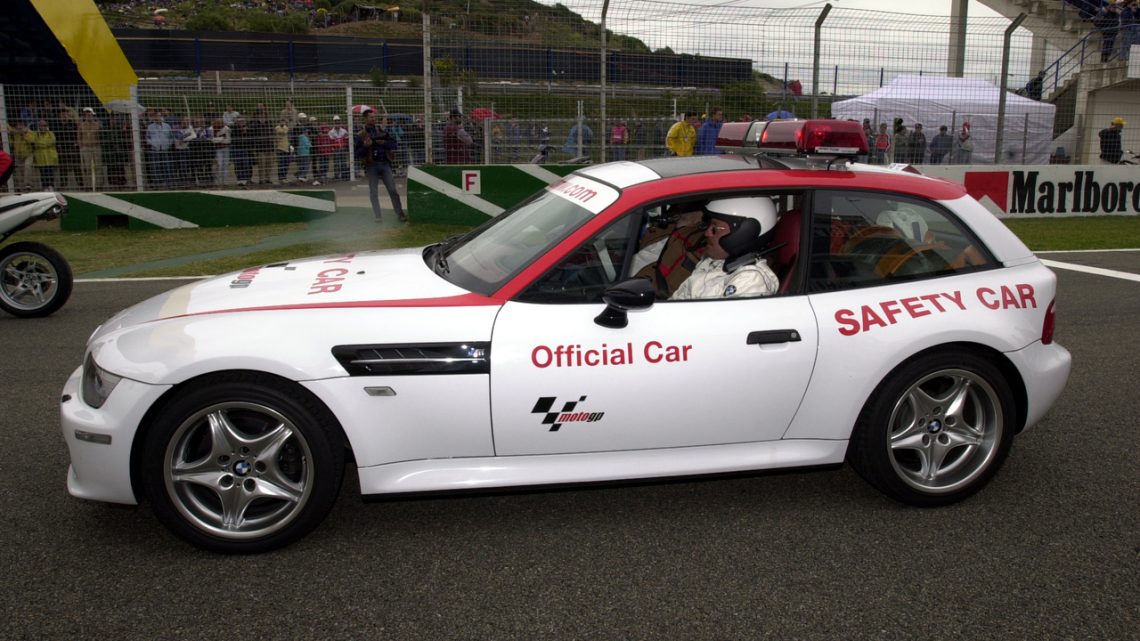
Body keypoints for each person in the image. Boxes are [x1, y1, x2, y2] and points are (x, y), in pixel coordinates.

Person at [671, 197, 780, 300]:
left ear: (745, 233)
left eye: (715, 228)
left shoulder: (750, 280)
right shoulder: (713, 262)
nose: (707, 233)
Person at [631, 202, 707, 298]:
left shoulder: (694, 242)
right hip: (631, 276)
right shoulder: (666, 227)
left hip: (642, 288)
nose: (681, 212)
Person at [355, 108, 407, 223]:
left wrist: (384, 143)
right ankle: (378, 216)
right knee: (373, 192)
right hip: (371, 165)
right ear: (365, 119)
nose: (373, 119)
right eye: (371, 117)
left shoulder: (381, 131)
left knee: (392, 190)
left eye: (374, 117)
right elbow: (357, 153)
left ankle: (400, 213)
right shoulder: (361, 135)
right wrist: (365, 146)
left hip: (385, 163)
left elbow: (394, 145)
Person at [28, 119, 59, 191]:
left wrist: (40, 143)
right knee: (42, 173)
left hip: (50, 156)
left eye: (44, 126)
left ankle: (51, 186)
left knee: (50, 172)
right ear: (39, 127)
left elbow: (52, 141)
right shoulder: (36, 134)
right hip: (41, 157)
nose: (43, 127)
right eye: (41, 126)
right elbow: (33, 141)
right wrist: (44, 143)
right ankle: (45, 187)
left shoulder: (50, 133)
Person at [77, 107, 102, 190]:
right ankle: (88, 185)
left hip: (96, 147)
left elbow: (101, 135)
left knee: (98, 166)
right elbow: (79, 136)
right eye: (86, 114)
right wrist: (81, 146)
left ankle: (98, 185)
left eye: (90, 114)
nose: (88, 115)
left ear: (92, 114)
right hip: (86, 147)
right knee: (87, 167)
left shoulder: (97, 124)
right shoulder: (81, 124)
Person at [211, 118, 231, 186]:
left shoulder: (226, 128)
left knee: (226, 165)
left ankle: (225, 181)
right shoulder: (212, 129)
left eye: (220, 122)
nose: (219, 124)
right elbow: (213, 140)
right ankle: (217, 181)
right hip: (218, 149)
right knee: (219, 164)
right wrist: (222, 138)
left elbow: (228, 140)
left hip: (226, 149)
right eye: (217, 122)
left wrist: (218, 139)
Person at [328, 115, 349, 180]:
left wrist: (340, 139)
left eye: (338, 121)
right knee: (336, 162)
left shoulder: (344, 130)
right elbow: (331, 140)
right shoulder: (331, 132)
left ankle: (344, 174)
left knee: (343, 162)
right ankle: (337, 175)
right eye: (336, 121)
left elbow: (347, 138)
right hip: (336, 149)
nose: (337, 123)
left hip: (343, 148)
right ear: (334, 123)